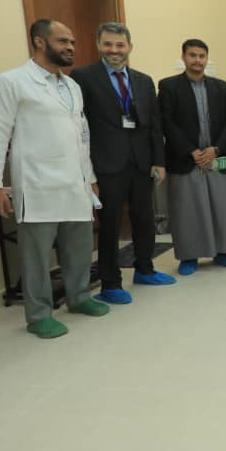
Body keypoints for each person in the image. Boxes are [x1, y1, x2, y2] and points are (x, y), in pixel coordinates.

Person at [0, 19, 110, 338]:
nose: (70, 47)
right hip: (37, 183)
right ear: (40, 42)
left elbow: (82, 136)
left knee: (79, 247)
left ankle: (79, 297)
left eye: (72, 42)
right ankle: (38, 314)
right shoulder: (11, 81)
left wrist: (90, 178)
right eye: (63, 41)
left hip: (75, 182)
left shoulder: (72, 86)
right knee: (36, 255)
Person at [71, 22, 172, 306]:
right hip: (106, 163)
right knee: (110, 224)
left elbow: (154, 124)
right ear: (98, 45)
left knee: (144, 218)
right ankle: (110, 283)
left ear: (129, 47)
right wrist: (86, 171)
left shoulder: (143, 80)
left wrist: (159, 161)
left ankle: (145, 269)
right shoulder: (83, 77)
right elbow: (78, 125)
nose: (114, 50)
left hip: (141, 161)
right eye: (108, 44)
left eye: (120, 45)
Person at [157, 39, 226, 275]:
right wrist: (191, 151)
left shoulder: (221, 87)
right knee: (188, 209)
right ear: (183, 57)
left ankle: (224, 251)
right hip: (186, 159)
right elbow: (167, 122)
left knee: (222, 205)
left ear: (207, 59)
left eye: (201, 56)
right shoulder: (169, 86)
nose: (197, 60)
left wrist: (216, 148)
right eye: (192, 55)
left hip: (216, 157)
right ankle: (189, 255)